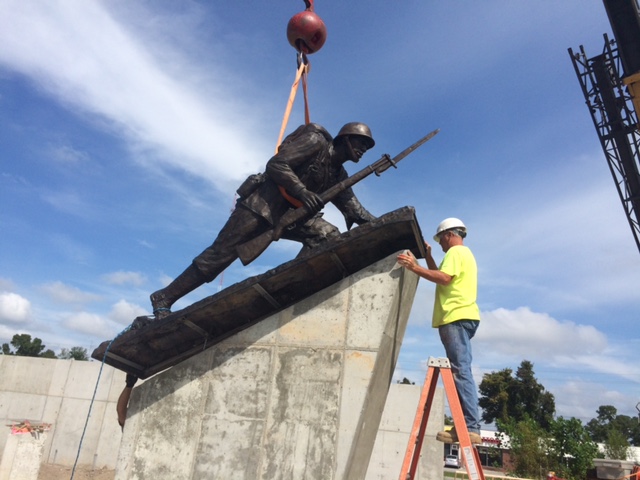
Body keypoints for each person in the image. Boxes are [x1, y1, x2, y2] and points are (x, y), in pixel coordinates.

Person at [150, 122, 377, 319]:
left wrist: (384, 225)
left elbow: (355, 211)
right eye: (361, 143)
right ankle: (164, 297)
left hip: (290, 218)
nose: (363, 150)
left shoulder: (339, 175)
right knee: (219, 256)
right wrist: (302, 191)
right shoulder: (315, 142)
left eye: (366, 147)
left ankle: (288, 290)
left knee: (325, 234)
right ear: (345, 140)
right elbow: (277, 164)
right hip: (261, 206)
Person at [397, 217, 482, 444]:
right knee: (460, 370)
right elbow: (442, 277)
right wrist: (430, 258)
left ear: (448, 235)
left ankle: (470, 427)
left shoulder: (455, 253)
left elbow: (443, 278)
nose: (441, 245)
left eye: (441, 241)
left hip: (454, 317)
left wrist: (414, 267)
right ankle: (464, 426)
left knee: (460, 371)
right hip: (464, 316)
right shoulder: (465, 255)